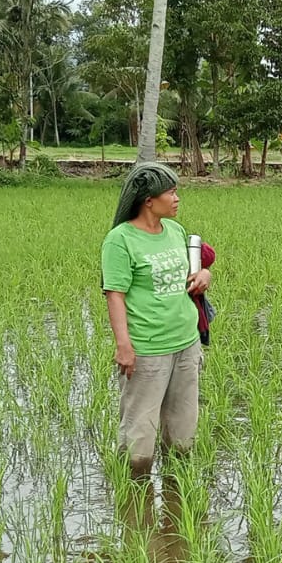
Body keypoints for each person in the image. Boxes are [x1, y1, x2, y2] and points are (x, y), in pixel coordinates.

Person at [100, 163, 211, 478]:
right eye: (171, 192)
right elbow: (115, 295)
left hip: (186, 344)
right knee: (140, 435)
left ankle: (177, 507)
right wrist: (124, 346)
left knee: (183, 432)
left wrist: (205, 275)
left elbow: (195, 272)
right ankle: (135, 506)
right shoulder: (120, 240)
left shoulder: (175, 231)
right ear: (148, 200)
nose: (177, 198)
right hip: (148, 350)